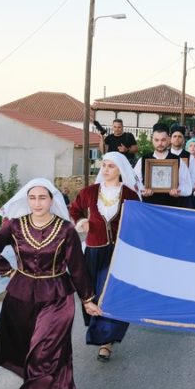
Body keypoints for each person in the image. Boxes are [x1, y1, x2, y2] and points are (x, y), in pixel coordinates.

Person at [0, 178, 96, 389]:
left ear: (52, 200)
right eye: (32, 198)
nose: (37, 203)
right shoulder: (15, 226)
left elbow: (77, 269)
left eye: (42, 198)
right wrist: (9, 272)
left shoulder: (66, 230)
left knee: (43, 355)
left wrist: (88, 299)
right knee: (26, 354)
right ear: (26, 200)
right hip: (20, 298)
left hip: (57, 298)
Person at [69, 152, 141, 362]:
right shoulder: (90, 192)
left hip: (119, 253)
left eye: (111, 166)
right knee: (94, 293)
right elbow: (74, 209)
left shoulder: (129, 194)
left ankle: (106, 341)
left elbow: (138, 222)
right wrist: (81, 221)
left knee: (111, 295)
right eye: (104, 165)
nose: (106, 169)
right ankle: (102, 335)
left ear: (120, 169)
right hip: (94, 250)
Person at [133, 123, 192, 208]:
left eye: (163, 140)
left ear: (168, 139)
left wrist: (178, 191)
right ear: (152, 139)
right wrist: (143, 190)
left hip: (171, 208)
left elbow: (187, 186)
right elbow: (134, 183)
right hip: (148, 207)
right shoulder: (143, 160)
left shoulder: (177, 161)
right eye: (156, 140)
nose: (160, 143)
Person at [168, 124, 195, 207]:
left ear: (183, 140)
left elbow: (193, 178)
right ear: (170, 139)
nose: (177, 138)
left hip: (184, 197)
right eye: (174, 136)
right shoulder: (164, 155)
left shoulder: (190, 157)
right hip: (166, 196)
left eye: (180, 136)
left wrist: (181, 191)